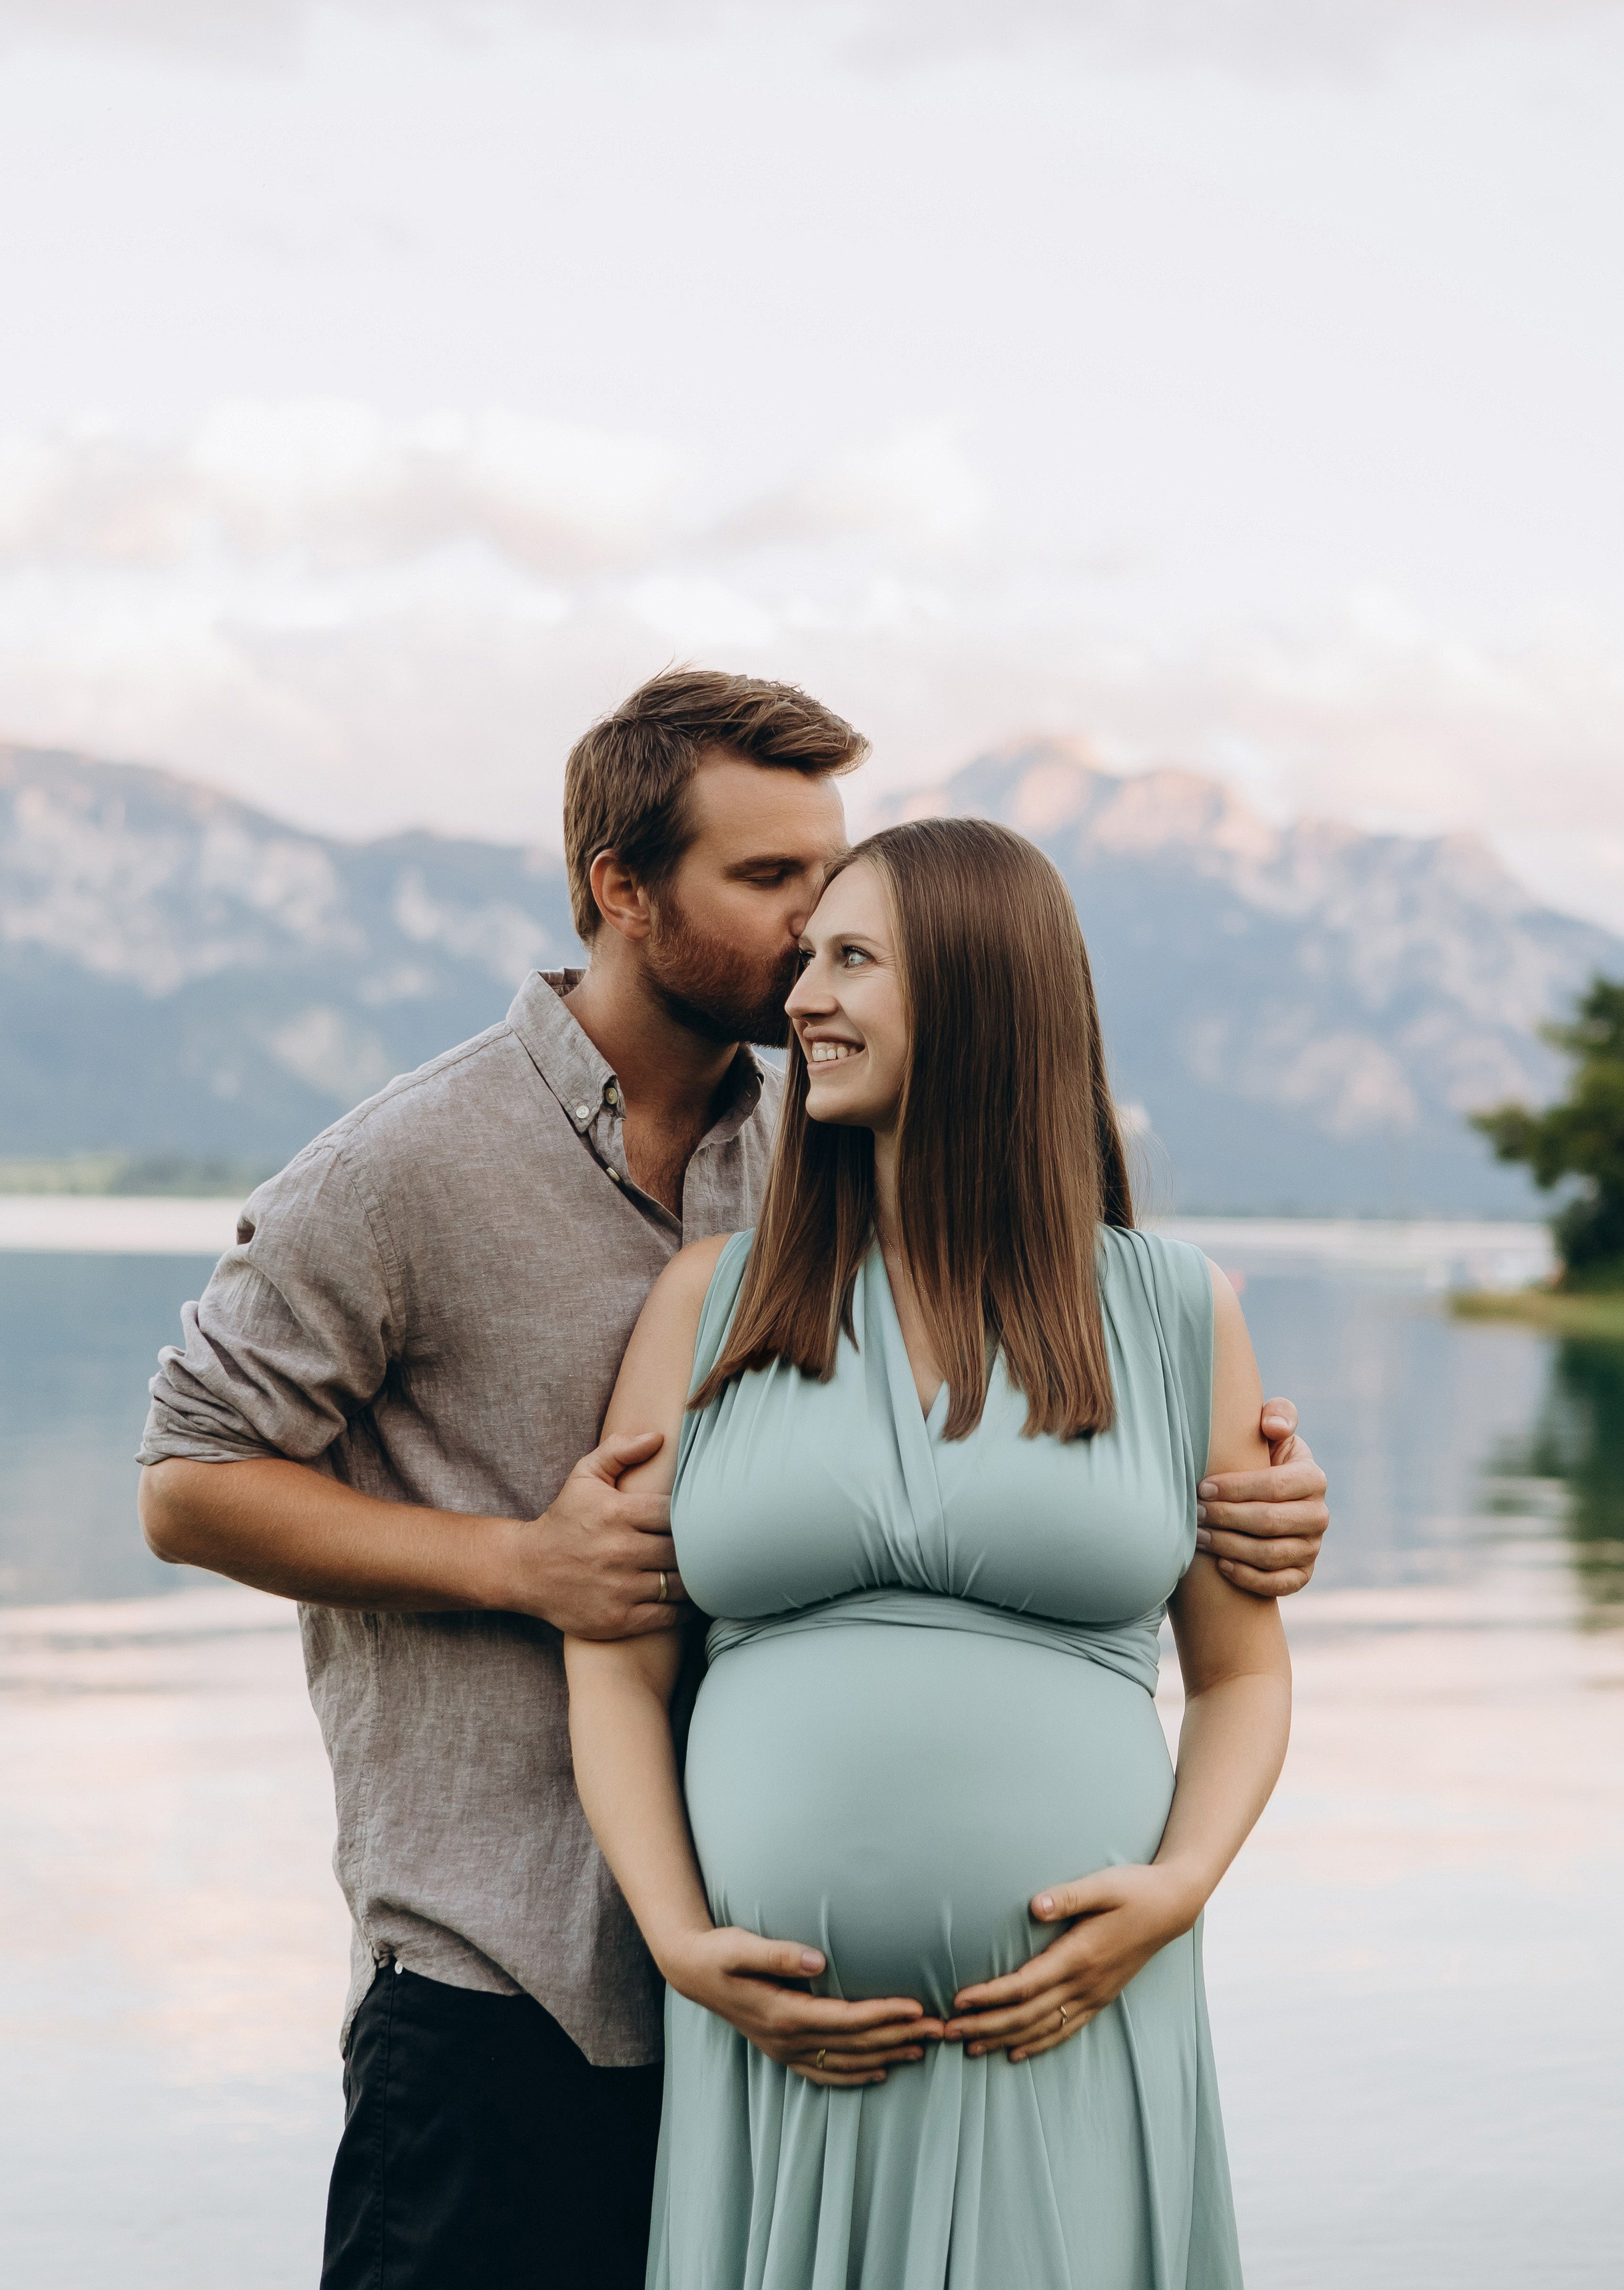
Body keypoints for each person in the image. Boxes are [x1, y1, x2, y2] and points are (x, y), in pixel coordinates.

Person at [136, 669, 1327, 2290]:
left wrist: (1249, 1493)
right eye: (771, 889)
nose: (802, 944)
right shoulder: (408, 1165)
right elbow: (186, 1482)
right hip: (512, 1976)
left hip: (769, 2015)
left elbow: (1069, 1407)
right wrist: (516, 1566)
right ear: (622, 892)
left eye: (833, 904)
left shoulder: (807, 1150)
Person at [566, 817, 1290, 2290]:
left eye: (850, 961)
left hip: (1074, 2026)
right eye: (804, 959)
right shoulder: (708, 1306)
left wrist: (1174, 1891)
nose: (799, 1001)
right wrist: (681, 1940)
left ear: (978, 994)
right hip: (774, 2054)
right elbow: (615, 1666)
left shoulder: (1170, 1312)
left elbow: (1238, 1679)